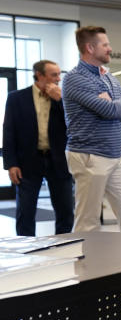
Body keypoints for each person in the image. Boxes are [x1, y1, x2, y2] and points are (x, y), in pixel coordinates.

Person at [62, 27, 121, 233]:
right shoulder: (75, 78)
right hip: (89, 155)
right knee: (88, 219)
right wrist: (116, 104)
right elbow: (107, 109)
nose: (110, 48)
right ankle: (86, 264)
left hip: (116, 156)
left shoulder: (109, 77)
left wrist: (115, 103)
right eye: (105, 45)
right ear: (89, 47)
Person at [3, 60, 74, 235]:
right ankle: (26, 249)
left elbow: (74, 124)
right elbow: (9, 131)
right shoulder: (16, 98)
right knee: (25, 211)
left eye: (59, 74)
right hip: (28, 161)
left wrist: (61, 101)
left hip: (58, 160)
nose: (58, 79)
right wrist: (11, 164)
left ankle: (64, 245)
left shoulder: (65, 99)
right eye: (53, 75)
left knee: (65, 209)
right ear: (39, 75)